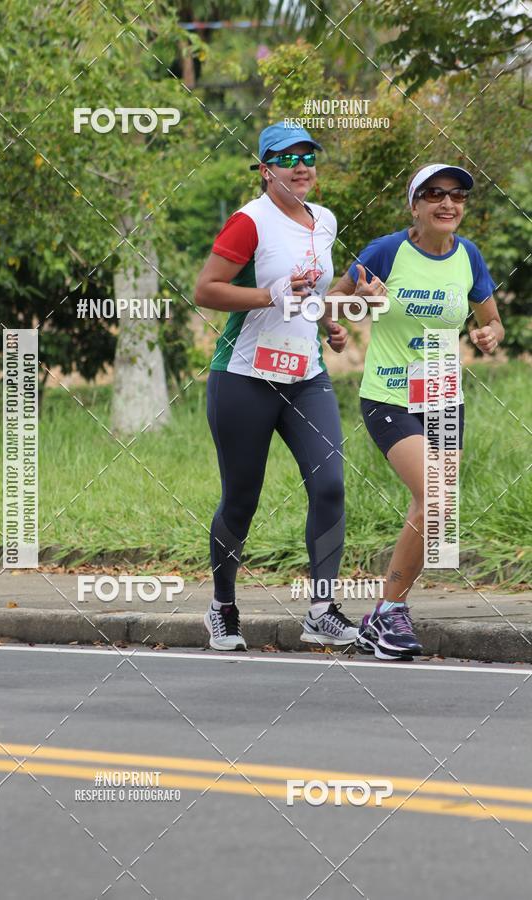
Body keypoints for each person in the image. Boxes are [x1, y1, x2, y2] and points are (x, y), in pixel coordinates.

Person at [195, 121, 371, 651]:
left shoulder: (325, 222)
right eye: (288, 158)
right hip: (244, 375)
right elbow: (207, 290)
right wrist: (268, 294)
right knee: (241, 500)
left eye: (308, 157)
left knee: (330, 485)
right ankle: (222, 606)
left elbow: (309, 294)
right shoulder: (250, 221)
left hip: (305, 377)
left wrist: (328, 323)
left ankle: (322, 609)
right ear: (265, 168)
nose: (301, 167)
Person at [325, 163, 504, 660]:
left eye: (457, 196)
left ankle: (385, 613)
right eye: (434, 195)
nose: (448, 204)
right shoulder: (387, 251)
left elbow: (491, 322)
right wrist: (360, 300)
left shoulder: (469, 256)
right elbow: (330, 304)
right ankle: (388, 614)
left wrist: (489, 335)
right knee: (437, 495)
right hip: (390, 394)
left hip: (445, 394)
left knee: (437, 511)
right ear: (414, 205)